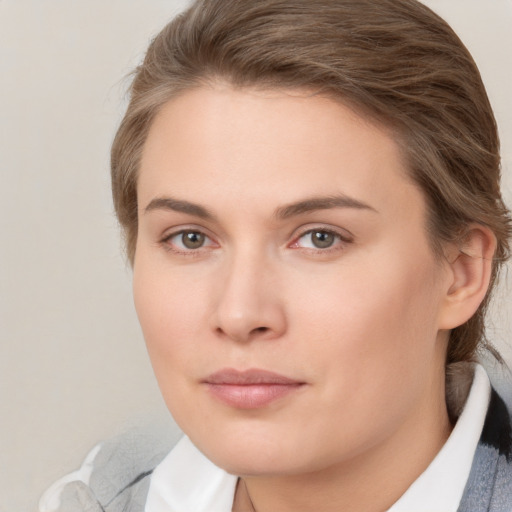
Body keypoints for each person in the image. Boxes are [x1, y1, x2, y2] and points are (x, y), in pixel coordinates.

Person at [39, 0, 512, 510]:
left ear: (461, 272)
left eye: (319, 238)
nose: (240, 314)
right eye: (190, 238)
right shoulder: (96, 497)